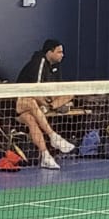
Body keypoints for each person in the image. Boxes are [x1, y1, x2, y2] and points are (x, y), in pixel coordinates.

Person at [15, 40, 77, 169]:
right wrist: (45, 101)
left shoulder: (56, 65)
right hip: (21, 102)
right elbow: (34, 90)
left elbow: (58, 88)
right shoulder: (39, 61)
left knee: (70, 92)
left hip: (43, 101)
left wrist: (51, 101)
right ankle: (53, 136)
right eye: (59, 52)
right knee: (31, 104)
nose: (62, 55)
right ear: (49, 52)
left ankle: (45, 156)